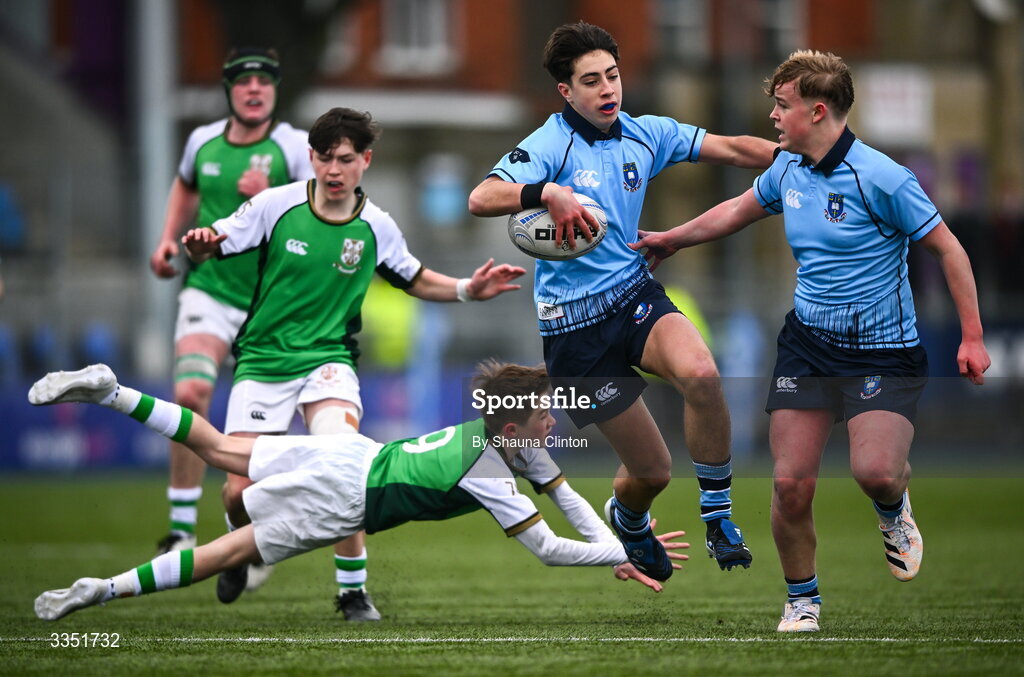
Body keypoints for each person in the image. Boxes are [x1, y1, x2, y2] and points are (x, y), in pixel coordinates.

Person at [631, 50, 991, 632]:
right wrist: (673, 238)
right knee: (790, 486)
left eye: (781, 106)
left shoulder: (884, 178)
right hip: (808, 346)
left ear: (817, 111)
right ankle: (803, 601)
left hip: (884, 351)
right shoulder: (786, 170)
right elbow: (735, 211)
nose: (772, 117)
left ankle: (893, 506)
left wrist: (971, 337)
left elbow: (949, 250)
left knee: (875, 472)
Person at [183, 107, 526, 619]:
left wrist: (467, 290)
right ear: (312, 159)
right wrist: (202, 245)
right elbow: (213, 244)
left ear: (365, 160)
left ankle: (352, 593)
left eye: (345, 159)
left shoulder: (375, 226)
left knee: (343, 471)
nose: (334, 169)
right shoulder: (274, 206)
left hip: (329, 363)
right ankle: (238, 546)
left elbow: (413, 278)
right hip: (263, 363)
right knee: (238, 492)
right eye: (324, 158)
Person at [468, 21, 776, 581]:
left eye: (612, 75)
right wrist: (549, 193)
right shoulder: (548, 145)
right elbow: (482, 197)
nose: (608, 89)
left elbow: (732, 149)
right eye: (591, 81)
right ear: (566, 92)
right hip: (573, 332)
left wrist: (799, 157)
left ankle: (718, 516)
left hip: (634, 295)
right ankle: (629, 520)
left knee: (702, 375)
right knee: (652, 472)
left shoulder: (646, 133)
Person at [29, 362, 689, 622]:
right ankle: (100, 589)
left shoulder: (511, 439)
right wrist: (618, 554)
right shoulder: (491, 468)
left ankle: (111, 391)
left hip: (350, 453)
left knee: (213, 446)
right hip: (347, 497)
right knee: (227, 550)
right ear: (516, 423)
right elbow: (546, 548)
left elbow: (569, 502)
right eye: (548, 412)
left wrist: (622, 543)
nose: (557, 419)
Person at [147, 47, 312, 564]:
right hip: (210, 289)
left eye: (264, 82)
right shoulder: (202, 141)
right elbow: (185, 186)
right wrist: (168, 238)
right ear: (230, 91)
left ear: (275, 91)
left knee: (259, 443)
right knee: (191, 390)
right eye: (244, 83)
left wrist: (274, 193)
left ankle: (241, 523)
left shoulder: (293, 145)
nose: (255, 89)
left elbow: (317, 208)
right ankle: (179, 529)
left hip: (269, 303)